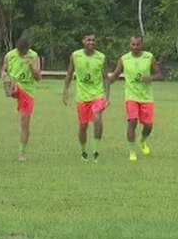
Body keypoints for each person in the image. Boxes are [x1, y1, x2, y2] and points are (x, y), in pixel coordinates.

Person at [109, 36, 163, 161]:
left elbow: (159, 74)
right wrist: (105, 84)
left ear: (142, 44)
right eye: (133, 44)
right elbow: (116, 75)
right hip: (131, 96)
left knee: (148, 125)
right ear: (130, 44)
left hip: (146, 97)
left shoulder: (149, 57)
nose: (135, 47)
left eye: (137, 44)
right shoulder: (124, 59)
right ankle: (132, 152)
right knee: (132, 121)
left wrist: (149, 78)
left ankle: (142, 140)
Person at [63, 32, 109, 162]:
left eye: (93, 40)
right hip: (82, 97)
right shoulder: (75, 56)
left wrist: (107, 96)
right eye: (88, 40)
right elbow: (69, 74)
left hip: (97, 94)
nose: (91, 43)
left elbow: (106, 78)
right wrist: (65, 92)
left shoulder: (101, 57)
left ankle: (96, 151)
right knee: (83, 126)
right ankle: (83, 151)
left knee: (97, 119)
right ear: (83, 41)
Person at [1, 35, 41, 162]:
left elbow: (38, 77)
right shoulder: (10, 56)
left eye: (23, 52)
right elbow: (3, 71)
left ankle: (22, 152)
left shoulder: (34, 56)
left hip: (28, 91)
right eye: (19, 51)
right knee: (13, 87)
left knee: (25, 121)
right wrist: (6, 78)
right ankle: (13, 88)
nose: (21, 53)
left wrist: (30, 66)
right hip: (15, 86)